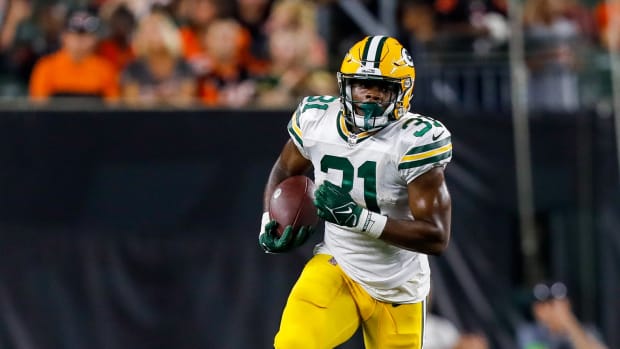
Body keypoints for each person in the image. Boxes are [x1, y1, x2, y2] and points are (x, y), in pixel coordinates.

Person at [258, 35, 453, 348]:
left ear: (403, 92)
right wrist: (270, 217)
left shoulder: (414, 141)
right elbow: (284, 170)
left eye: (383, 88)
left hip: (398, 287)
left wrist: (358, 218)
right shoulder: (316, 120)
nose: (371, 95)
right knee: (293, 343)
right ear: (345, 85)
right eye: (363, 84)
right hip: (339, 265)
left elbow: (436, 236)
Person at [28, 8, 119, 103]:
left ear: (95, 39)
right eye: (76, 34)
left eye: (86, 35)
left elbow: (113, 109)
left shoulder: (105, 69)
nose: (80, 40)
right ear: (64, 36)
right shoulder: (47, 67)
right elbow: (39, 109)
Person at [516, 281, 608, 349]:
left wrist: (569, 321)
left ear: (567, 305)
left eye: (552, 305)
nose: (545, 310)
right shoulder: (531, 333)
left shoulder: (586, 330)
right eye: (543, 305)